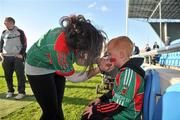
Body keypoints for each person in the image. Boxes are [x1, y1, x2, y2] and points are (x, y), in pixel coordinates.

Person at [25, 14, 112, 120]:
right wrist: (100, 69)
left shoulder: (75, 37)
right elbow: (75, 78)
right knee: (50, 111)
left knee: (57, 107)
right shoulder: (60, 54)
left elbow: (81, 60)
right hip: (37, 68)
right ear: (79, 46)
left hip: (53, 66)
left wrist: (98, 60)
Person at [82, 36, 145, 120]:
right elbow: (115, 91)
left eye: (110, 54)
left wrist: (95, 109)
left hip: (125, 116)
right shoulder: (124, 71)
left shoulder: (129, 73)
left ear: (121, 55)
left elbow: (118, 105)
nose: (108, 58)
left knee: (88, 116)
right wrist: (100, 99)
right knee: (88, 114)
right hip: (118, 111)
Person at [0, 17, 27, 99]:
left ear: (11, 22)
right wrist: (1, 52)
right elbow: (1, 44)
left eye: (6, 22)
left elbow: (25, 43)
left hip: (17, 56)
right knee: (7, 75)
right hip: (6, 57)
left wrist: (21, 54)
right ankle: (10, 91)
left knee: (20, 75)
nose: (4, 24)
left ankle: (21, 92)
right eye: (4, 22)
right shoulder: (4, 32)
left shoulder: (20, 32)